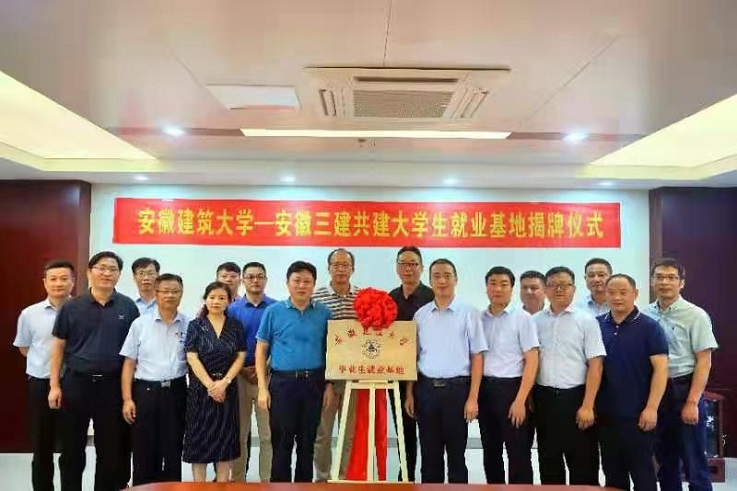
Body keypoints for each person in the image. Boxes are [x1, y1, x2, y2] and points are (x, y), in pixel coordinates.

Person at [48, 251, 140, 491]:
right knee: (71, 449)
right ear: (89, 272)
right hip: (76, 385)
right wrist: (54, 385)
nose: (107, 273)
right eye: (101, 268)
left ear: (119, 274)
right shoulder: (71, 307)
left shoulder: (128, 307)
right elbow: (58, 347)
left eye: (113, 269)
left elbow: (133, 353)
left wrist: (128, 395)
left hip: (112, 387)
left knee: (110, 450)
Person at [404, 258, 487, 483]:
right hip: (426, 391)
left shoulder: (469, 313)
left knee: (456, 456)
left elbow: (477, 356)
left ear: (456, 279)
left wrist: (473, 398)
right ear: (430, 281)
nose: (442, 280)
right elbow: (413, 357)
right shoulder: (421, 315)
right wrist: (410, 393)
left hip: (457, 391)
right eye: (437, 276)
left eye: (447, 275)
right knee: (429, 456)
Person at [256, 261, 335, 483]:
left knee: (307, 443)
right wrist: (262, 388)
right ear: (288, 283)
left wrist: (329, 385)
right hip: (283, 384)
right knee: (281, 442)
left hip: (314, 384)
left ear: (314, 285)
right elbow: (261, 350)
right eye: (297, 281)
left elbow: (331, 351)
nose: (302, 286)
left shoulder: (324, 313)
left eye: (307, 281)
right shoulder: (274, 312)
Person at [644, 258, 718, 491]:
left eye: (671, 278)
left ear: (681, 283)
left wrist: (692, 402)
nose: (665, 282)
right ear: (652, 281)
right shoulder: (645, 314)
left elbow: (704, 361)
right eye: (659, 277)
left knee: (694, 460)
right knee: (665, 460)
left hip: (684, 388)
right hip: (656, 390)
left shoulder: (695, 315)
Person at [533, 266, 604, 486]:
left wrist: (588, 405)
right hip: (544, 399)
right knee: (549, 461)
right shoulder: (535, 321)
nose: (559, 289)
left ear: (574, 288)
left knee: (583, 462)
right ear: (545, 290)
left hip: (576, 398)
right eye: (553, 285)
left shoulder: (587, 320)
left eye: (564, 285)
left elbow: (596, 364)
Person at [597, 274, 668, 491]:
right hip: (606, 415)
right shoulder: (597, 325)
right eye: (612, 293)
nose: (617, 297)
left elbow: (661, 370)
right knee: (613, 475)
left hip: (639, 415)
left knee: (643, 475)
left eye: (623, 292)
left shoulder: (650, 327)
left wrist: (651, 408)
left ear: (635, 294)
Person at [120, 274, 189, 486]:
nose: (170, 295)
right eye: (165, 291)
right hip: (146, 392)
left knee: (173, 447)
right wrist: (127, 399)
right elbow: (129, 364)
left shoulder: (189, 324)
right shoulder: (140, 324)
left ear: (181, 294)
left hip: (177, 391)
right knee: (144, 448)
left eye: (175, 291)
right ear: (156, 294)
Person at [14, 259, 75, 491]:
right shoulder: (30, 314)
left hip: (74, 384)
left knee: (72, 445)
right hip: (40, 384)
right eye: (53, 279)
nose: (59, 283)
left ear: (73, 282)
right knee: (42, 444)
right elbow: (24, 347)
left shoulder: (82, 310)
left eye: (64, 278)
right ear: (45, 282)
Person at [478, 266, 538, 484]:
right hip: (485, 389)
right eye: (493, 283)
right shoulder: (479, 318)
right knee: (490, 450)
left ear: (512, 288)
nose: (498, 289)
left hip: (512, 389)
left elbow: (532, 360)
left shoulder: (522, 318)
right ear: (486, 288)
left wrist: (520, 400)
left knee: (518, 451)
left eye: (504, 284)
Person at [183, 281, 246, 482]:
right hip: (200, 390)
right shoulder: (195, 325)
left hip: (227, 390)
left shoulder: (235, 325)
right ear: (205, 299)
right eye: (212, 297)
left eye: (221, 298)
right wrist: (211, 385)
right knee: (199, 441)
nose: (216, 301)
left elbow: (241, 356)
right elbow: (191, 356)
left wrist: (224, 382)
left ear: (229, 301)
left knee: (225, 441)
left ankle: (222, 483)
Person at [312, 248, 359, 482]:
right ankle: (322, 479)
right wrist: (325, 379)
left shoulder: (363, 298)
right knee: (322, 433)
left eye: (345, 265)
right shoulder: (316, 298)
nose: (341, 269)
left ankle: (343, 479)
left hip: (354, 375)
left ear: (353, 269)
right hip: (325, 377)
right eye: (336, 265)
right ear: (328, 268)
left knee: (348, 434)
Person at [388, 245, 434, 482]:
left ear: (421, 268)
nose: (408, 268)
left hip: (425, 375)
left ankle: (429, 478)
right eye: (403, 264)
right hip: (396, 373)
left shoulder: (432, 297)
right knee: (403, 429)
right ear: (397, 268)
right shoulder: (389, 299)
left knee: (428, 431)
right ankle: (405, 476)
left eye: (413, 264)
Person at [227, 262, 276, 482]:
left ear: (266, 279)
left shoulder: (276, 308)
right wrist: (241, 369)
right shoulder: (232, 310)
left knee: (268, 435)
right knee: (239, 434)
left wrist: (264, 367)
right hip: (239, 378)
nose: (255, 280)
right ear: (243, 281)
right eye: (250, 277)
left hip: (268, 378)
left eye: (260, 276)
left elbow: (279, 342)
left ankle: (267, 481)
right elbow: (227, 344)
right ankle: (238, 481)